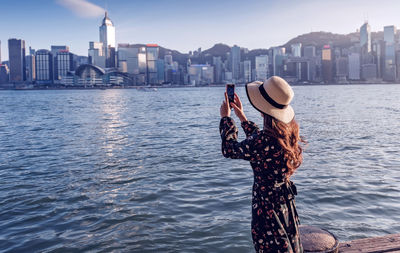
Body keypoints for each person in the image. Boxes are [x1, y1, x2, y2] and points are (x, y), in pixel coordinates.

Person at [219, 76, 305, 253]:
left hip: (267, 208)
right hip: (285, 203)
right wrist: (242, 117)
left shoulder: (262, 141)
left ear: (262, 108)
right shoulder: (287, 132)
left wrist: (226, 118)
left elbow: (230, 149)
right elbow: (260, 142)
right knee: (289, 245)